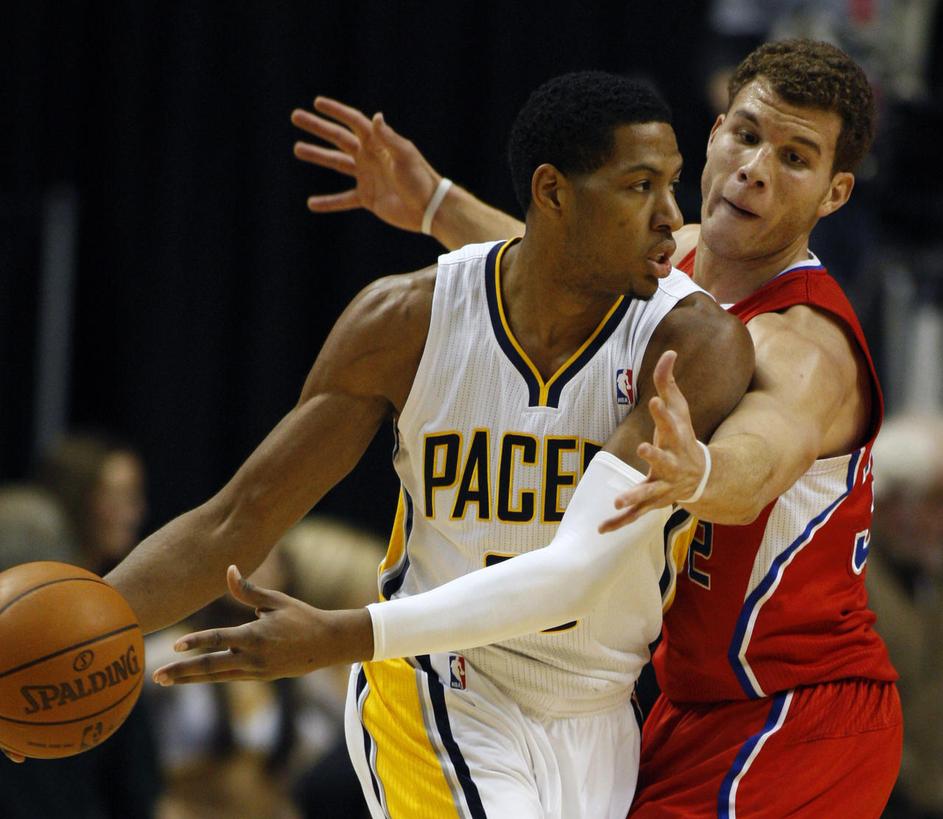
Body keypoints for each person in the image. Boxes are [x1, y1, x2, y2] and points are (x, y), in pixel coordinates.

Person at [0, 72, 753, 819]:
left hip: (600, 714)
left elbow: (576, 572)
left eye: (672, 184)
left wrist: (340, 634)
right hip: (439, 689)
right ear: (553, 191)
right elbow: (237, 518)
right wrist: (81, 630)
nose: (671, 216)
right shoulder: (408, 321)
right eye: (640, 186)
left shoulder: (694, 343)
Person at [286, 38, 902, 817]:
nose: (754, 168)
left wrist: (701, 473)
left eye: (794, 158)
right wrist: (435, 204)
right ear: (713, 134)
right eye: (747, 135)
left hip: (796, 707)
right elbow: (558, 266)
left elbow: (760, 461)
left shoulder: (805, 344)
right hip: (687, 700)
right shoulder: (673, 265)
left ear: (834, 193)